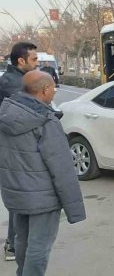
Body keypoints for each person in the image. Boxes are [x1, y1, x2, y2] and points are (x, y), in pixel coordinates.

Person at [0, 70, 86, 275]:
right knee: (39, 248)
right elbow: (62, 169)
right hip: (43, 198)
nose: (55, 92)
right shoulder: (46, 122)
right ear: (45, 90)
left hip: (15, 194)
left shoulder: (6, 114)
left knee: (22, 242)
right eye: (53, 87)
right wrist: (75, 210)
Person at [0, 41, 38, 262]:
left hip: (20, 146)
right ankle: (13, 245)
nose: (37, 64)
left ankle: (16, 242)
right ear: (21, 61)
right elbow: (31, 110)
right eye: (34, 60)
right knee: (19, 195)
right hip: (13, 149)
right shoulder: (12, 83)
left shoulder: (20, 79)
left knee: (22, 194)